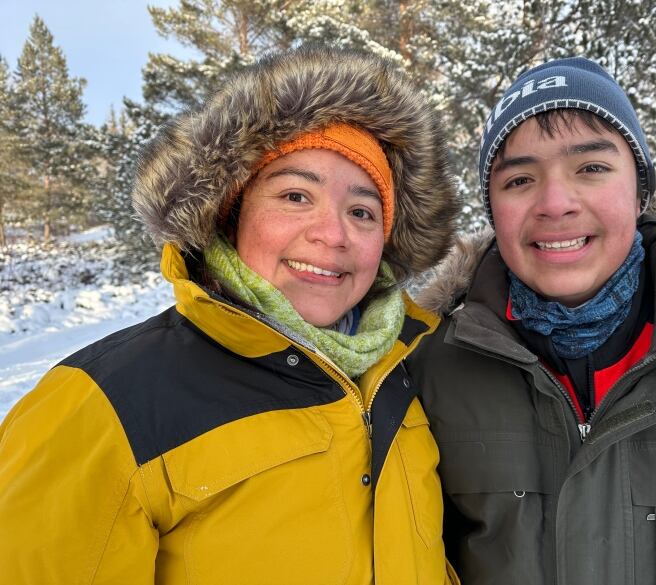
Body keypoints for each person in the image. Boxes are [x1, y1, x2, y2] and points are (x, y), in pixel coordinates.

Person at [0, 45, 460, 584]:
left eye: (361, 211)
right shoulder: (99, 408)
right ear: (230, 212)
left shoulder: (407, 369)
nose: (333, 234)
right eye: (294, 196)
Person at [408, 56, 656, 585]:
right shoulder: (428, 369)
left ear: (639, 191)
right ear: (493, 210)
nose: (555, 203)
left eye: (591, 168)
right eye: (519, 179)